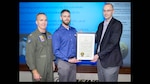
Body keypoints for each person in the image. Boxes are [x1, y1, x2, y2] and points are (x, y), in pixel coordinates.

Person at [91, 3, 123, 82]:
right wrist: (84, 37)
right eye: (104, 10)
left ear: (113, 11)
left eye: (108, 10)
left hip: (110, 62)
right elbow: (96, 39)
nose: (106, 13)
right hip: (100, 62)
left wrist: (98, 55)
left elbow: (112, 43)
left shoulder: (117, 24)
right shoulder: (101, 25)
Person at [25, 12, 55, 82]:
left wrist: (53, 61)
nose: (44, 22)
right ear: (36, 22)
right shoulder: (32, 36)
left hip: (49, 68)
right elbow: (29, 55)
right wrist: (34, 71)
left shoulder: (49, 35)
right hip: (39, 69)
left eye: (45, 20)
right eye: (41, 20)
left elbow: (51, 50)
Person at [52, 9, 80, 82]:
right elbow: (56, 51)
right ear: (61, 18)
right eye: (65, 16)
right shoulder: (57, 33)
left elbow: (78, 45)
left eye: (68, 16)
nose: (67, 18)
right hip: (63, 62)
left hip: (73, 61)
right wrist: (68, 60)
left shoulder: (74, 30)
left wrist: (82, 38)